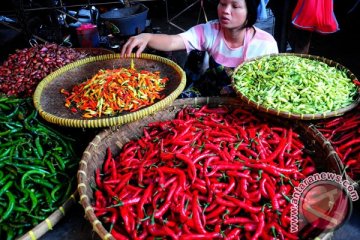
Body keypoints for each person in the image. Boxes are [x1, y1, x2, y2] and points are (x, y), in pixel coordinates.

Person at [121, 0, 279, 97]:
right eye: (222, 4)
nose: (225, 10)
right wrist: (147, 37)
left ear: (250, 12)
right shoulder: (211, 31)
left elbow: (267, 89)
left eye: (235, 6)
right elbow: (173, 41)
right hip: (208, 93)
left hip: (242, 103)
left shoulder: (264, 45)